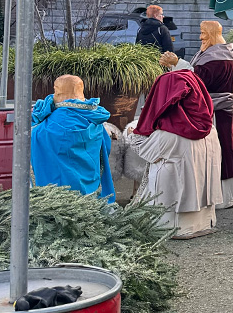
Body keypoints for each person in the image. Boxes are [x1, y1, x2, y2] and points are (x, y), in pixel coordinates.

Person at [126, 68, 222, 238]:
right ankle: (202, 224)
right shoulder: (210, 129)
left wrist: (130, 134)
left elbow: (145, 150)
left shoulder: (169, 133)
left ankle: (170, 228)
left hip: (173, 218)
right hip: (204, 210)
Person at [30, 74, 115, 202]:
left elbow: (34, 137)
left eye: (55, 90)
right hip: (90, 179)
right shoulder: (94, 116)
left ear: (60, 92)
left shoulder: (57, 121)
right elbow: (105, 144)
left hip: (62, 187)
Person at [192, 20, 233, 209]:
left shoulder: (216, 58)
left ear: (212, 34)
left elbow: (197, 79)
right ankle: (226, 197)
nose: (200, 37)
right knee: (225, 149)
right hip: (219, 109)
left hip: (217, 111)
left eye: (203, 33)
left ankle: (222, 198)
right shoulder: (217, 53)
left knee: (221, 150)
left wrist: (176, 65)